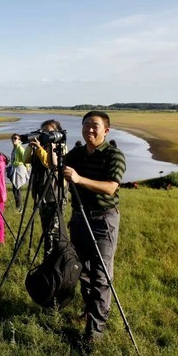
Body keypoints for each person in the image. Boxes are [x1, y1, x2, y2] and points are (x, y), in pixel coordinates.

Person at [63, 111, 126, 343]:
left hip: (103, 220)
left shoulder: (114, 155)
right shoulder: (77, 153)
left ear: (106, 131)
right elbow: (55, 166)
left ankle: (95, 331)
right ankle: (90, 313)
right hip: (80, 218)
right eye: (86, 124)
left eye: (95, 126)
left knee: (101, 275)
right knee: (83, 271)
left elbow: (111, 187)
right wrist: (46, 146)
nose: (90, 129)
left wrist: (79, 180)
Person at [23, 119, 66, 257]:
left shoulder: (61, 147)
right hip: (42, 194)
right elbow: (26, 159)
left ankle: (55, 260)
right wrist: (32, 144)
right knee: (46, 230)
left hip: (55, 194)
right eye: (44, 131)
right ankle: (48, 259)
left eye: (50, 132)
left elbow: (51, 164)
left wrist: (42, 148)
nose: (46, 134)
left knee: (54, 230)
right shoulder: (40, 146)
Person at [8, 133, 29, 212]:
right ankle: (18, 206)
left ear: (19, 140)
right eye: (12, 138)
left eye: (15, 138)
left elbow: (26, 159)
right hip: (15, 169)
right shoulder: (14, 148)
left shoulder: (20, 148)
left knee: (17, 188)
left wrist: (26, 170)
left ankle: (19, 207)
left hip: (19, 170)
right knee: (15, 188)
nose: (13, 140)